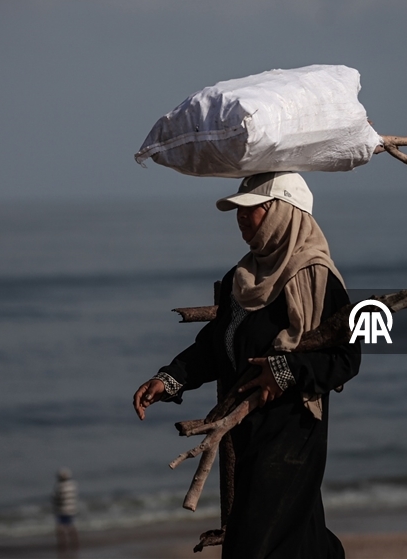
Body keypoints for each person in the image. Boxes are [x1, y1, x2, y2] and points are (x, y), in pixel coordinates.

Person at [133, 172, 360, 559]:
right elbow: (216, 346)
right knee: (300, 542)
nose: (240, 217)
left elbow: (345, 358)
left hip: (292, 435)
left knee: (251, 546)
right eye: (239, 210)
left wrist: (284, 372)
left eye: (251, 209)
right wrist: (170, 379)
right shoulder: (242, 278)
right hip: (249, 434)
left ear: (281, 214)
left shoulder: (316, 276)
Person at [52, 467, 79, 552]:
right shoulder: (73, 485)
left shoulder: (60, 486)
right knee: (71, 526)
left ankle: (63, 545)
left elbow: (57, 498)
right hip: (72, 509)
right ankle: (75, 543)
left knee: (61, 528)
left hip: (62, 510)